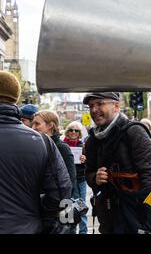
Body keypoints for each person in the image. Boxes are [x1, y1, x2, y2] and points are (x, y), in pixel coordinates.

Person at [0, 71, 72, 233]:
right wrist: (43, 220)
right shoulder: (42, 142)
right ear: (16, 99)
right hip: (27, 227)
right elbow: (60, 193)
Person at [83, 92, 151, 234]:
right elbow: (89, 172)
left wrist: (147, 217)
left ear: (116, 106)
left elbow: (150, 174)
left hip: (135, 215)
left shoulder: (134, 131)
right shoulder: (92, 140)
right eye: (91, 106)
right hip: (108, 216)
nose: (93, 110)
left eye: (100, 104)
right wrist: (95, 178)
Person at [33, 110, 77, 197]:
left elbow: (70, 180)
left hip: (55, 203)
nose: (33, 127)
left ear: (50, 125)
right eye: (33, 124)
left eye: (37, 124)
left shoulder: (62, 147)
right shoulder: (36, 145)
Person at [64, 121, 88, 234]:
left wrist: (85, 160)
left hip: (81, 179)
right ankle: (70, 231)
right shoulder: (62, 145)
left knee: (81, 205)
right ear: (67, 132)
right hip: (67, 181)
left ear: (79, 133)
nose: (73, 132)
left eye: (76, 130)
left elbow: (90, 165)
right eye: (71, 130)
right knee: (68, 206)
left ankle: (83, 231)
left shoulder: (83, 146)